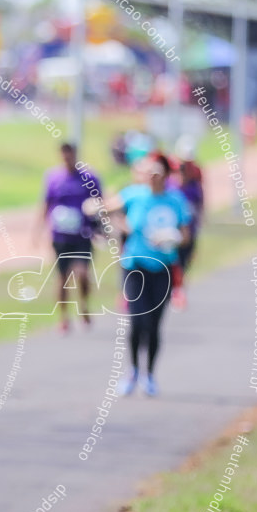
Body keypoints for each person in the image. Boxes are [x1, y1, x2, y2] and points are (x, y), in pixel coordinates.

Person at [111, 155, 192, 396]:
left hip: (163, 268)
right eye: (149, 172)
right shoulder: (133, 194)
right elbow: (106, 208)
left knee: (155, 325)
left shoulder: (176, 200)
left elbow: (186, 233)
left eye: (158, 173)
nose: (153, 177)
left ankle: (149, 374)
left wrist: (174, 237)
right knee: (138, 321)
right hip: (135, 266)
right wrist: (121, 224)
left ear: (166, 175)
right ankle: (133, 370)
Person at [34, 142, 101, 333]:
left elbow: (100, 202)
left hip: (82, 234)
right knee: (62, 278)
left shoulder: (89, 178)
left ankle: (84, 305)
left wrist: (99, 223)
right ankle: (63, 316)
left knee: (82, 274)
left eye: (70, 155)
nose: (67, 159)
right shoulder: (53, 178)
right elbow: (46, 204)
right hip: (60, 235)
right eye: (64, 156)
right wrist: (37, 231)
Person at [172, 144, 204, 309]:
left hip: (189, 231)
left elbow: (200, 206)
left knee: (185, 262)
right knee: (174, 262)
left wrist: (200, 222)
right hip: (172, 233)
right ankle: (175, 291)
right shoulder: (172, 189)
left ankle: (180, 290)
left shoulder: (194, 188)